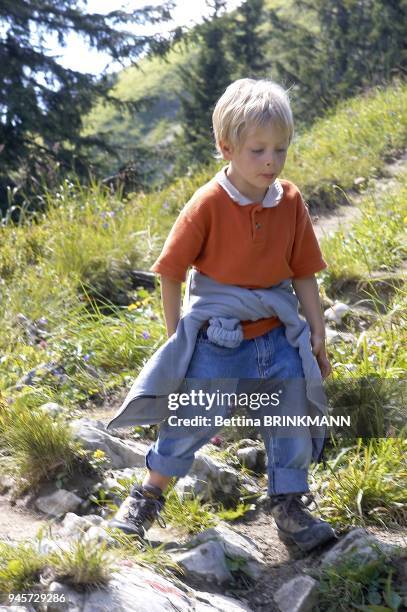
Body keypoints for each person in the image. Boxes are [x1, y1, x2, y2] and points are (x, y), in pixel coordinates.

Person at [109, 78, 336, 552]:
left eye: (280, 149)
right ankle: (147, 497)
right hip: (220, 337)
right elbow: (171, 273)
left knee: (291, 413)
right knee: (191, 416)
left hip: (277, 333)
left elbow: (304, 273)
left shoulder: (289, 202)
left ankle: (289, 505)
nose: (271, 161)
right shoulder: (208, 203)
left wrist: (316, 332)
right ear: (226, 146)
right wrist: (179, 340)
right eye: (257, 150)